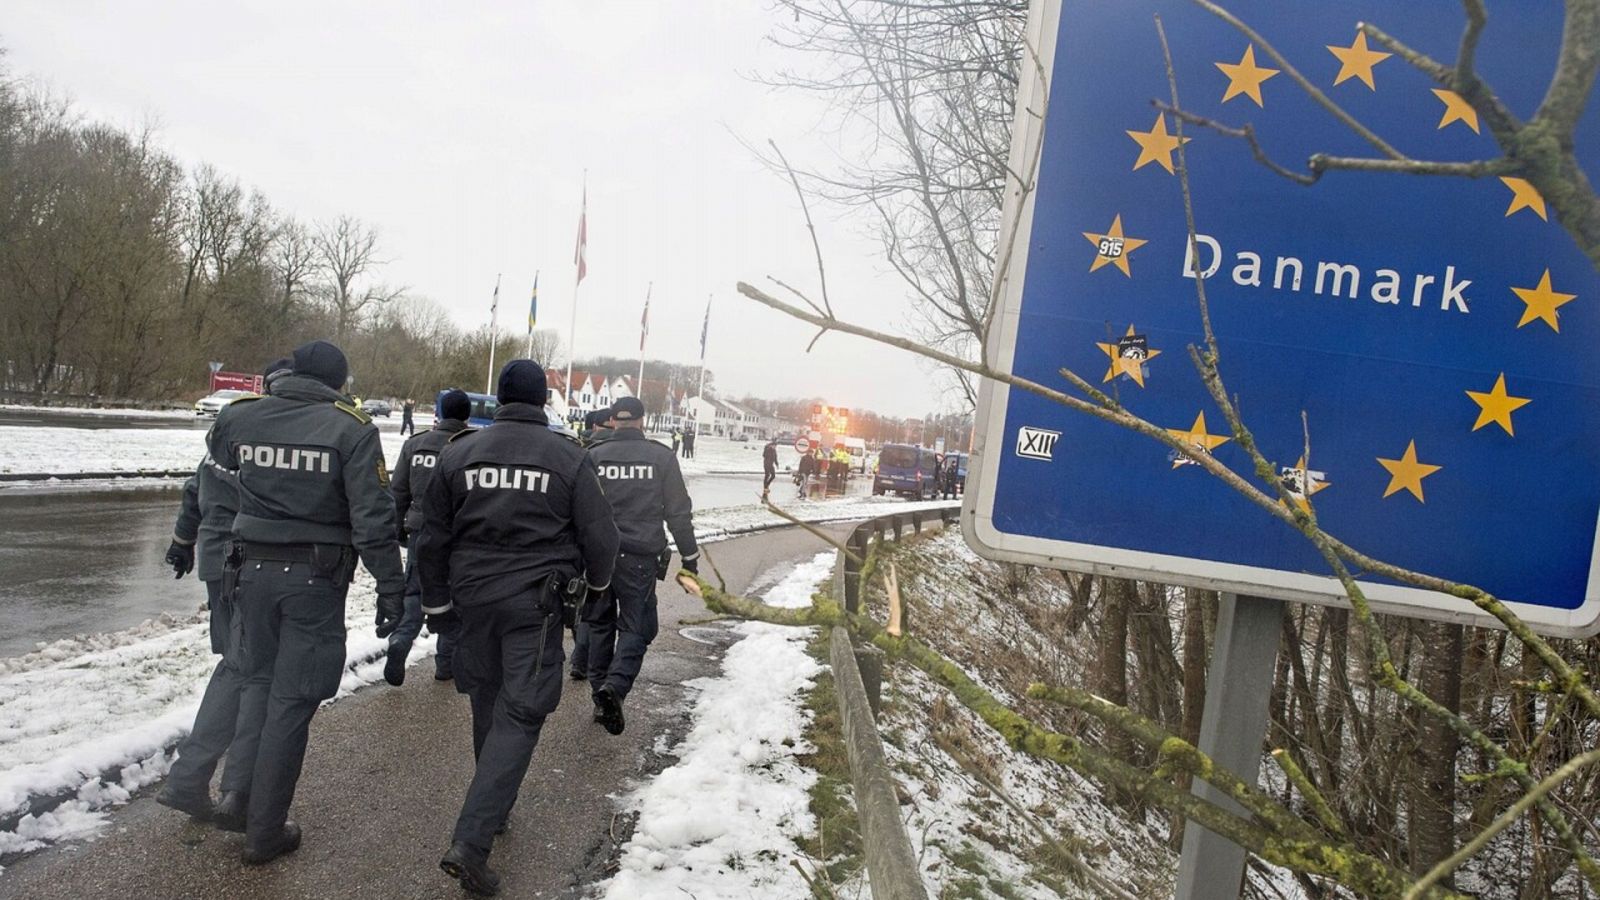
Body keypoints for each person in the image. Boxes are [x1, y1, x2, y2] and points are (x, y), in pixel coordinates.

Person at [418, 360, 619, 896]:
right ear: (543, 400)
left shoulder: (458, 452)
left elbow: (431, 536)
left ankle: (494, 803)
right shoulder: (569, 457)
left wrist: (435, 603)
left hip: (471, 603)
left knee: (488, 700)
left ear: (501, 398)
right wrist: (596, 589)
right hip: (535, 606)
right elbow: (602, 540)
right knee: (522, 711)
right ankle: (472, 841)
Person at [204, 339, 405, 865]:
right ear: (339, 382)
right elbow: (372, 520)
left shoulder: (241, 416)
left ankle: (239, 797)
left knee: (258, 683)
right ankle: (263, 832)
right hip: (314, 582)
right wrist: (391, 586)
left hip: (248, 574)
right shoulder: (352, 428)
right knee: (291, 705)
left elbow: (219, 462)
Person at [157, 356, 290, 834]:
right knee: (250, 672)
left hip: (219, 560)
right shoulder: (274, 433)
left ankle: (203, 783)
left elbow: (197, 486)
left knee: (241, 666)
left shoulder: (234, 424)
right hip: (245, 560)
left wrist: (181, 541)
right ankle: (226, 789)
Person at [584, 397, 697, 735]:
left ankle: (598, 694)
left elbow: (579, 510)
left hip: (598, 557)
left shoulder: (593, 457)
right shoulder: (661, 457)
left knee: (600, 625)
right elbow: (678, 512)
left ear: (613, 421)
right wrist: (689, 556)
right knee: (637, 626)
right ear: (642, 421)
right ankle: (614, 689)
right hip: (639, 558)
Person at [388, 389, 473, 684]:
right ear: (467, 415)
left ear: (439, 413)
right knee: (453, 597)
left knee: (415, 590)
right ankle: (445, 663)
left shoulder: (416, 444)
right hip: (457, 536)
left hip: (420, 531)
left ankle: (401, 640)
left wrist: (398, 529)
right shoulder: (469, 446)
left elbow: (398, 492)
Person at [761, 436, 779, 501]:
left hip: (771, 464)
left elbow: (775, 458)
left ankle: (767, 485)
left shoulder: (774, 451)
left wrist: (777, 464)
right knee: (767, 475)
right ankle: (765, 487)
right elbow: (763, 455)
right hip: (766, 464)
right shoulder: (767, 448)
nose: (775, 447)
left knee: (773, 475)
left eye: (775, 446)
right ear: (772, 445)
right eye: (774, 446)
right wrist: (768, 449)